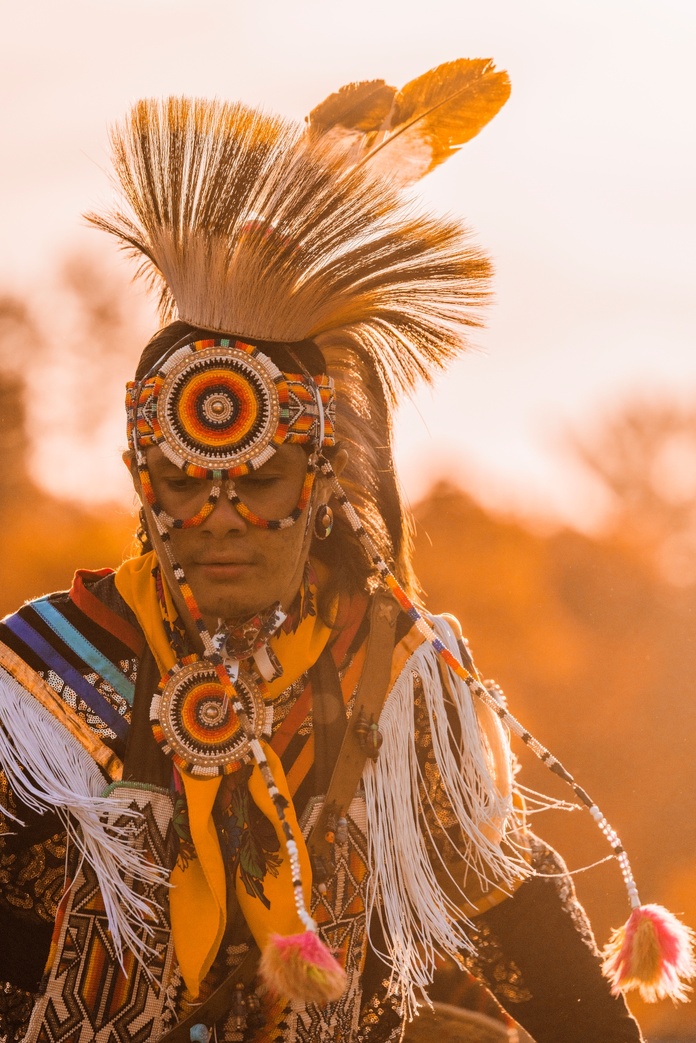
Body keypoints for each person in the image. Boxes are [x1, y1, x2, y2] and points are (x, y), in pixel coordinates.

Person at [0, 60, 688, 1043]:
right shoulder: (49, 678)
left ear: (323, 481)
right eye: (186, 482)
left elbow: (534, 945)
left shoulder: (397, 683)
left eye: (261, 480)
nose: (221, 516)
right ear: (140, 478)